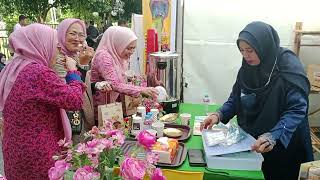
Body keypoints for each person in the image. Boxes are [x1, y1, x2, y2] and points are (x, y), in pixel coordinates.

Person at [200, 21, 313, 180]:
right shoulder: (247, 69)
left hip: (286, 142)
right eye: (242, 51)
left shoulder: (288, 65)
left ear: (263, 46)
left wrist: (273, 136)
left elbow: (296, 109)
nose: (246, 56)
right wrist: (218, 115)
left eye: (250, 50)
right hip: (257, 144)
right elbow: (236, 99)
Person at [0, 23, 85, 179]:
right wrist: (73, 72)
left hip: (14, 150)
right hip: (37, 154)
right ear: (41, 44)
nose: (59, 51)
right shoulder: (38, 72)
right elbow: (75, 100)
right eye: (56, 46)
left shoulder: (13, 66)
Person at [54, 18, 111, 134]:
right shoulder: (58, 59)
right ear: (61, 34)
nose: (77, 39)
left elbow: (82, 85)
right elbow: (70, 92)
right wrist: (84, 64)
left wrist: (96, 85)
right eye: (72, 34)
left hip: (82, 111)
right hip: (69, 117)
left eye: (81, 35)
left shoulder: (75, 55)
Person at [91, 26, 158, 122]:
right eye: (129, 48)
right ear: (119, 44)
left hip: (116, 106)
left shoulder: (119, 55)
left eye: (133, 48)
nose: (131, 52)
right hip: (104, 107)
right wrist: (141, 90)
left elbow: (123, 77)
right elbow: (115, 84)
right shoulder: (103, 56)